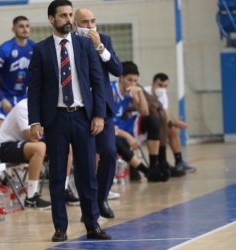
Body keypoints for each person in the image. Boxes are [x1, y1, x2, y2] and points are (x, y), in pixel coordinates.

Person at [28, 0, 110, 242]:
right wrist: (35, 121)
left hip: (84, 117)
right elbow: (34, 89)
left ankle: (92, 225)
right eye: (63, 15)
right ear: (51, 19)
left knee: (87, 175)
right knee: (57, 176)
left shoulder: (85, 44)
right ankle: (60, 228)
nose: (68, 19)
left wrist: (99, 114)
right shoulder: (41, 49)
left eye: (70, 15)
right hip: (56, 120)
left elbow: (98, 82)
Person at [73, 7, 122, 219]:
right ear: (76, 25)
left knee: (110, 152)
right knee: (84, 161)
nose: (90, 26)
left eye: (93, 21)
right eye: (85, 22)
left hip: (104, 108)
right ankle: (89, 207)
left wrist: (100, 47)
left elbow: (117, 70)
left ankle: (101, 198)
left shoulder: (104, 40)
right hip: (79, 109)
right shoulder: (68, 43)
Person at [112, 62, 170, 181]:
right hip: (108, 128)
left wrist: (139, 92)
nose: (133, 84)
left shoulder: (129, 93)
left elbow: (144, 113)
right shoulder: (111, 90)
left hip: (121, 125)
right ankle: (147, 171)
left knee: (152, 120)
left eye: (135, 81)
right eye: (130, 80)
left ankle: (154, 166)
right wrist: (128, 136)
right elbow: (106, 123)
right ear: (121, 78)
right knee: (112, 138)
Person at [144, 73, 196, 172]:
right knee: (162, 125)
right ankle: (158, 162)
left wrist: (175, 123)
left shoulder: (163, 96)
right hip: (143, 121)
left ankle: (179, 161)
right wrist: (174, 122)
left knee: (172, 128)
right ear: (153, 84)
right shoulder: (145, 92)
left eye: (165, 86)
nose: (162, 88)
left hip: (156, 122)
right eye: (160, 85)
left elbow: (166, 115)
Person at [0, 16, 35, 115]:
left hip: (24, 97)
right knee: (1, 125)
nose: (25, 29)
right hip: (5, 97)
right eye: (21, 26)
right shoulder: (4, 50)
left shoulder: (35, 48)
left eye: (27, 26)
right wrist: (1, 98)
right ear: (13, 29)